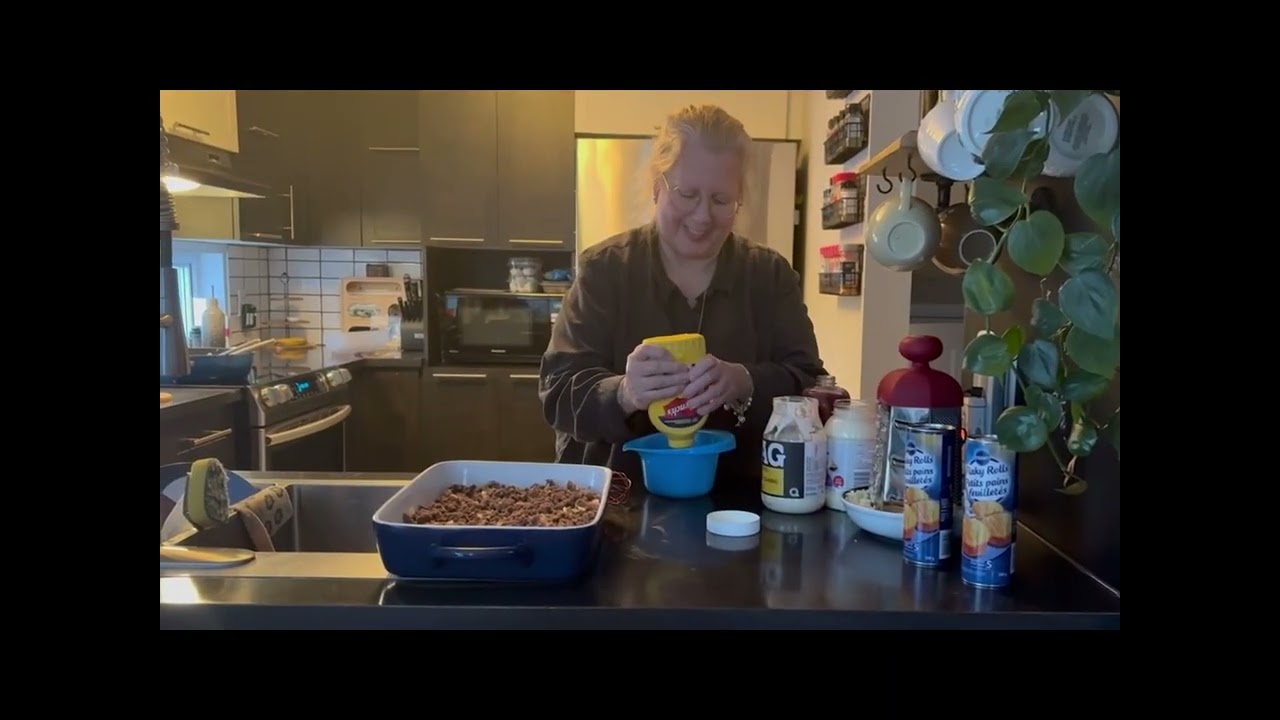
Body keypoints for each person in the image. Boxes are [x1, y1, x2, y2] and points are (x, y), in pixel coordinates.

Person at [538, 104, 827, 493]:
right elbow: (558, 394)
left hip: (741, 508)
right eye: (687, 194)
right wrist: (624, 392)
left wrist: (745, 381)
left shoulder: (769, 275)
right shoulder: (603, 271)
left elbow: (810, 383)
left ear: (739, 199)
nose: (702, 216)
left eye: (721, 200)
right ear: (657, 187)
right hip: (615, 502)